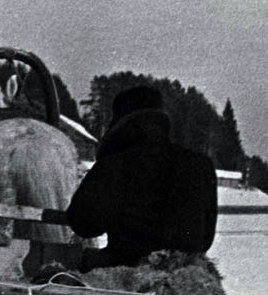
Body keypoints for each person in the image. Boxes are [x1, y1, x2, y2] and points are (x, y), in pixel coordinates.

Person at [66, 85, 217, 270]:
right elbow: (206, 239)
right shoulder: (201, 165)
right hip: (185, 273)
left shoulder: (116, 164)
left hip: (128, 274)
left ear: (121, 125)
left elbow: (82, 222)